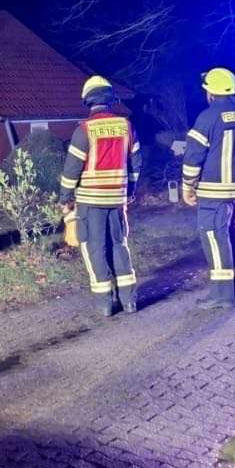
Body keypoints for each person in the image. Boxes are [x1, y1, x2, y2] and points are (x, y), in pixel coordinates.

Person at [59, 76, 142, 317]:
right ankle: (129, 301)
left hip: (90, 202)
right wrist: (131, 190)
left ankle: (106, 304)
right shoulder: (127, 126)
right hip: (117, 200)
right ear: (110, 99)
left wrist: (65, 198)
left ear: (89, 101)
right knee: (119, 245)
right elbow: (136, 162)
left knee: (95, 248)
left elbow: (71, 170)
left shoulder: (83, 130)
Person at [181, 67, 235, 308]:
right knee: (234, 235)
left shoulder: (207, 117)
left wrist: (188, 187)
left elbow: (193, 157)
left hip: (215, 193)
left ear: (211, 93)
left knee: (214, 238)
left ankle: (222, 296)